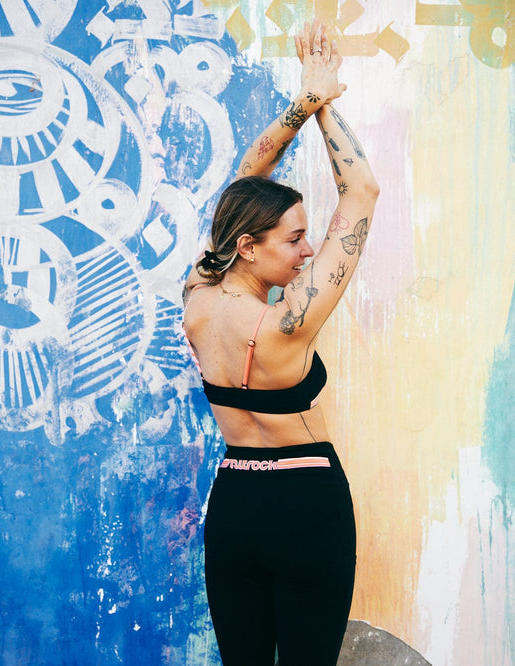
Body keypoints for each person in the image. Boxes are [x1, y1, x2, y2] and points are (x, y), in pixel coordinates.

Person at [183, 19, 379, 666]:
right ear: (248, 246)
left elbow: (246, 180)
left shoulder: (197, 297)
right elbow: (361, 192)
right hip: (304, 505)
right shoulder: (287, 321)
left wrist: (301, 101)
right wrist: (323, 102)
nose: (304, 252)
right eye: (293, 238)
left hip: (234, 504)